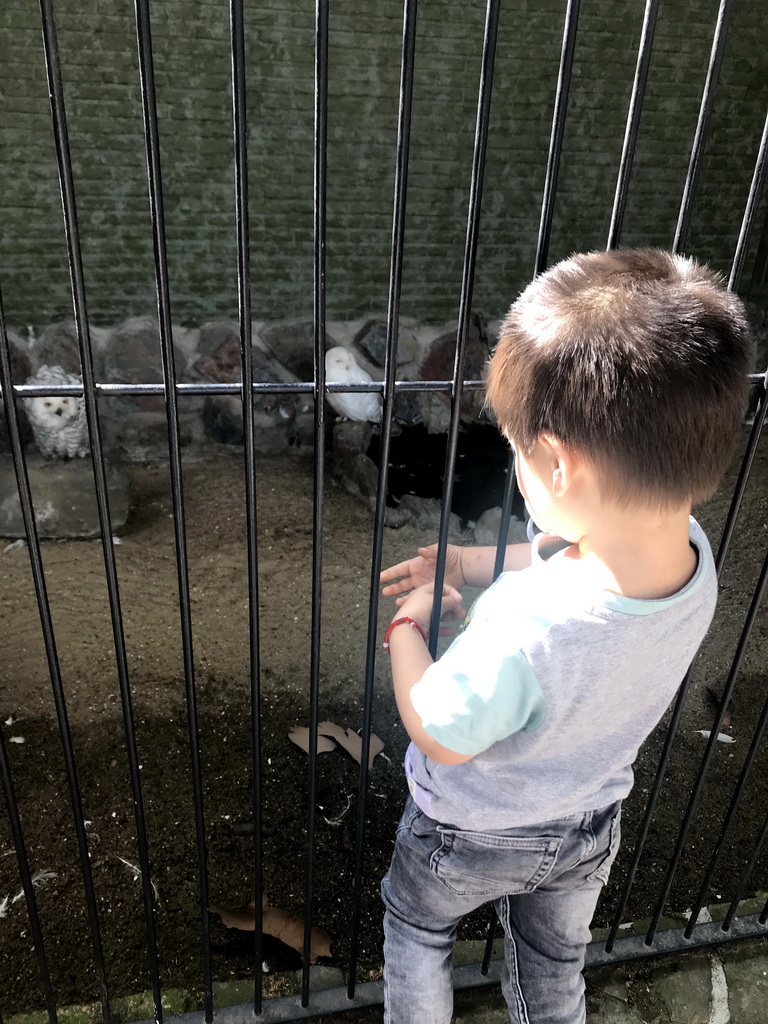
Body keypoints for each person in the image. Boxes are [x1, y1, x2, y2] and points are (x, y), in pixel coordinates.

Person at [378, 248, 753, 1024]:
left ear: (554, 461)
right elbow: (589, 549)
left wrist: (408, 626)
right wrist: (485, 560)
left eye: (517, 451)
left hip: (467, 831)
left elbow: (442, 731)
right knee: (553, 968)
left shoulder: (524, 620)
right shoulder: (692, 556)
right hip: (585, 828)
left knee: (417, 930)